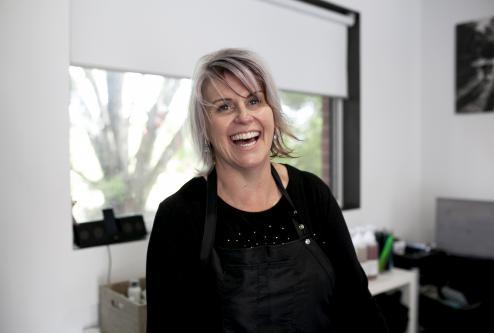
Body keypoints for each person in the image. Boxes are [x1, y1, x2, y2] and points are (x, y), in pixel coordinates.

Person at [146, 48, 388, 332]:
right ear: (205, 126)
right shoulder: (180, 215)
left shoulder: (312, 195)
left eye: (254, 100)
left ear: (271, 111)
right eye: (224, 106)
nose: (244, 116)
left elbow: (357, 306)